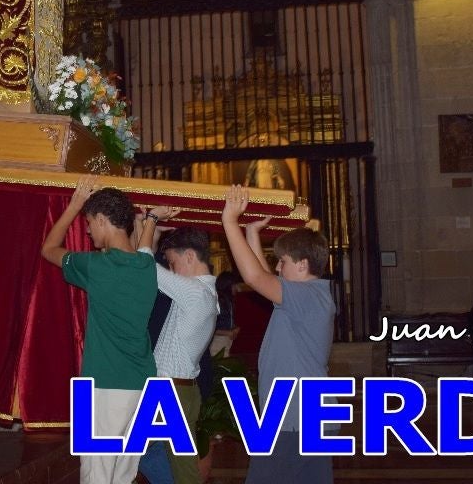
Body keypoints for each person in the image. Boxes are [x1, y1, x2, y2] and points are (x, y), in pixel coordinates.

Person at [41, 176, 156, 484]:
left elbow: (49, 248)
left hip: (105, 383)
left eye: (90, 222)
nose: (88, 230)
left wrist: (73, 205)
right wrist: (149, 222)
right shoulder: (147, 268)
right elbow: (142, 248)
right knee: (122, 474)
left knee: (97, 474)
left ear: (104, 220)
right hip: (143, 384)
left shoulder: (97, 266)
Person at [219, 185, 335, 484]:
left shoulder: (306, 296)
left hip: (294, 416)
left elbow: (256, 277)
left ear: (302, 264)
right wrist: (252, 232)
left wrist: (230, 222)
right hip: (301, 414)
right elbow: (264, 278)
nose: (278, 267)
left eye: (282, 261)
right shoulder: (306, 296)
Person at [134, 217, 217, 484]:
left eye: (173, 262)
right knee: (152, 455)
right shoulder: (203, 292)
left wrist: (150, 222)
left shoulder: (195, 292)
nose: (172, 268)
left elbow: (144, 264)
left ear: (190, 256)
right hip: (179, 389)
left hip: (172, 391)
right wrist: (153, 234)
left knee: (178, 469)